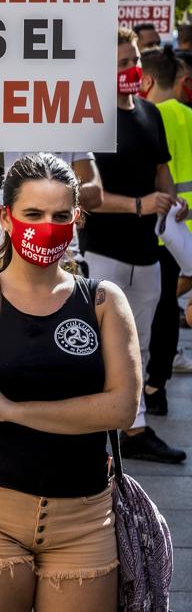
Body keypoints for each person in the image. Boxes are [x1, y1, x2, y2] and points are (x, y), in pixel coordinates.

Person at [0, 153, 141, 612]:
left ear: (77, 219)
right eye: (32, 214)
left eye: (60, 216)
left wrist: (14, 411)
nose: (47, 226)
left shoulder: (103, 301)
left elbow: (121, 409)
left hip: (83, 519)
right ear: (5, 218)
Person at [80, 27, 187, 464]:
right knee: (103, 343)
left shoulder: (150, 113)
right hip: (104, 250)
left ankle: (133, 426)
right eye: (122, 63)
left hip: (148, 250)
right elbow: (90, 195)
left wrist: (170, 197)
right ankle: (104, 429)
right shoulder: (92, 118)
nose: (131, 69)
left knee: (138, 344)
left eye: (134, 61)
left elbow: (161, 169)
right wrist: (139, 204)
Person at [140, 46, 192, 413]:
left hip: (155, 227)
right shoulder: (188, 116)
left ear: (146, 80)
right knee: (169, 310)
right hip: (183, 228)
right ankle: (158, 385)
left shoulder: (147, 115)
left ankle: (147, 388)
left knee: (153, 310)